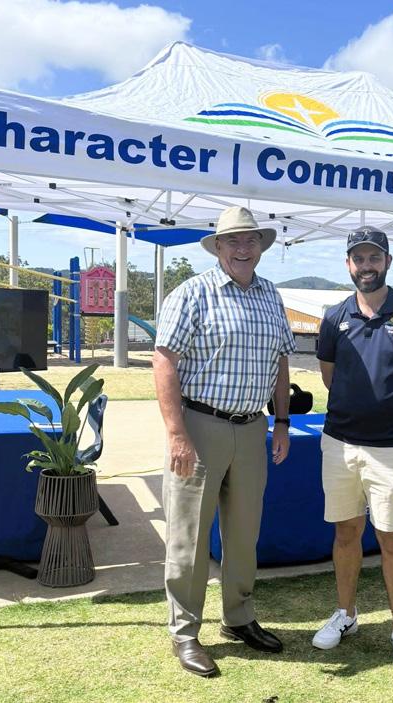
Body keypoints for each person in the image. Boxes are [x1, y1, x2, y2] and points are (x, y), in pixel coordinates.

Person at [153, 205, 296, 678]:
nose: (242, 248)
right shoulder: (191, 293)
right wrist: (177, 433)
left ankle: (238, 617)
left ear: (261, 246)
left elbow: (280, 362)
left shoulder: (271, 295)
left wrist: (281, 422)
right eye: (232, 240)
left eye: (250, 239)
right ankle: (185, 632)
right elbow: (164, 362)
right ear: (217, 247)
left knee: (244, 533)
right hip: (200, 426)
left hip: (252, 428)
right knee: (189, 537)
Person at [312, 226, 393, 673]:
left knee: (392, 538)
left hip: (392, 449)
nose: (366, 266)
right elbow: (329, 376)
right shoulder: (334, 316)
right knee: (346, 533)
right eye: (358, 258)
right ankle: (346, 614)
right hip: (340, 444)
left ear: (387, 262)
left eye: (374, 258)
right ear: (348, 264)